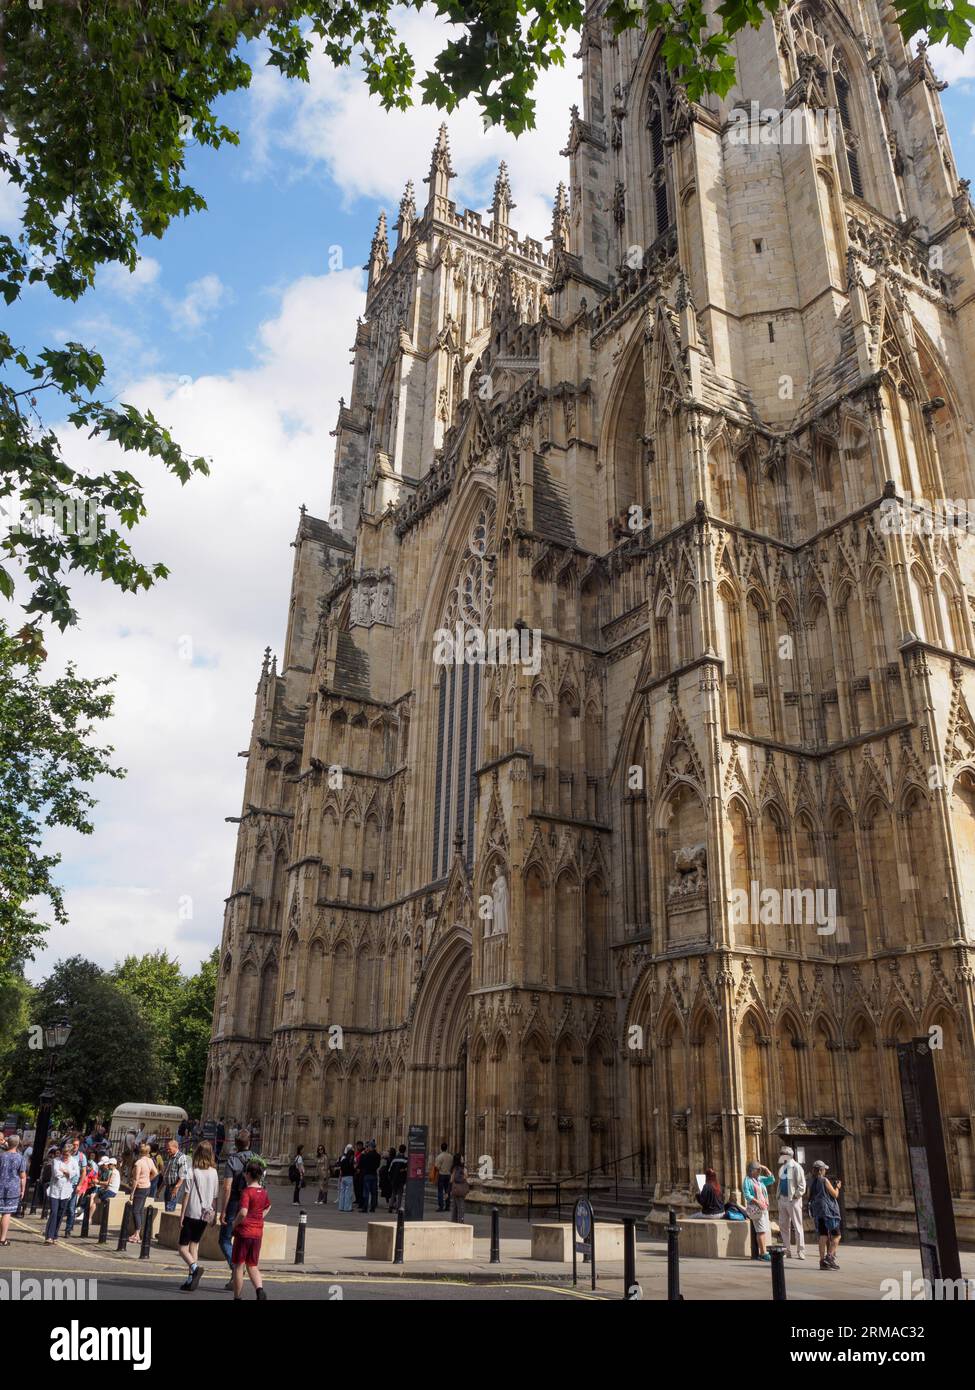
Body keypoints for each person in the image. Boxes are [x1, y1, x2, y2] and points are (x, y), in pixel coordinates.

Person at [177, 1139, 219, 1292]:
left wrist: (181, 1215)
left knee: (182, 1247)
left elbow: (186, 1194)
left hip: (192, 1212)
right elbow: (215, 1196)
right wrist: (215, 1215)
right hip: (206, 1214)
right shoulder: (214, 1172)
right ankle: (190, 1280)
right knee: (194, 1245)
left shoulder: (192, 1170)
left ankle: (194, 1268)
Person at [219, 1128, 257, 1290]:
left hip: (235, 1203)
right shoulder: (257, 1160)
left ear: (235, 1143)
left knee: (225, 1239)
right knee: (241, 1240)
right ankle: (234, 1277)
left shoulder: (232, 1160)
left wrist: (223, 1210)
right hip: (252, 1203)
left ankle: (236, 1269)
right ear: (250, 1143)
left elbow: (227, 1187)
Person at [231, 1161, 271, 1301]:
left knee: (238, 1266)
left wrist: (234, 1224)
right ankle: (260, 1290)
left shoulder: (247, 1192)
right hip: (257, 1233)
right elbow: (267, 1207)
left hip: (244, 1232)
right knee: (252, 1265)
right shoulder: (263, 1192)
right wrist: (259, 1217)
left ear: (248, 1174)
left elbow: (242, 1212)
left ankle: (237, 1296)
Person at [808, 1159, 843, 1270]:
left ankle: (822, 1261)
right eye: (824, 1170)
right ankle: (830, 1256)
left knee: (823, 1235)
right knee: (837, 1235)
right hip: (828, 1211)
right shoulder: (824, 1180)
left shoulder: (811, 1181)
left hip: (818, 1211)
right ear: (821, 1170)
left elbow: (809, 1196)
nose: (825, 1172)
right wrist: (837, 1186)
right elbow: (835, 1194)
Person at [742, 1160, 776, 1260]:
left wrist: (765, 1168)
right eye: (757, 1170)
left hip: (764, 1208)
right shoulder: (747, 1180)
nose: (759, 1172)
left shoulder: (760, 1179)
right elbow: (747, 1195)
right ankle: (763, 1253)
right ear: (752, 1171)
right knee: (760, 1230)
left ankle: (763, 1251)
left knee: (763, 1230)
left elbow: (771, 1179)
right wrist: (757, 1201)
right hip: (755, 1208)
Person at [777, 1146, 807, 1260]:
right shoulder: (783, 1167)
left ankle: (801, 1250)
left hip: (793, 1200)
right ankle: (787, 1250)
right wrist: (779, 1197)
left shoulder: (796, 1167)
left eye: (782, 1154)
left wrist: (796, 1196)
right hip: (783, 1199)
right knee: (784, 1226)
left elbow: (802, 1186)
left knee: (797, 1226)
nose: (780, 1156)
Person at [44, 1142, 76, 1245]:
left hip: (66, 1191)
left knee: (60, 1214)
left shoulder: (74, 1162)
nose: (64, 1156)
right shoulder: (56, 1161)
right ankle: (49, 1236)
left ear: (71, 1153)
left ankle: (55, 1235)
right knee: (53, 1212)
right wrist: (68, 1173)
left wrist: (66, 1172)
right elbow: (57, 1173)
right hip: (55, 1191)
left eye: (67, 1154)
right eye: (63, 1153)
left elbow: (75, 1174)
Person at [0, 1135, 27, 1244]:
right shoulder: (20, 1158)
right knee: (6, 1213)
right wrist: (22, 1190)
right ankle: (2, 1239)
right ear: (17, 1144)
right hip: (12, 1188)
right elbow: (22, 1176)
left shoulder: (1, 1156)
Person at [129, 1142, 155, 1244]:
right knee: (139, 1211)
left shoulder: (139, 1162)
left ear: (139, 1152)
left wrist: (132, 1192)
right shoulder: (150, 1161)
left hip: (140, 1188)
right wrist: (149, 1179)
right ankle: (137, 1233)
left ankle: (137, 1234)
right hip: (147, 1187)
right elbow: (156, 1172)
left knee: (136, 1211)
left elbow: (135, 1179)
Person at [161, 1138, 189, 1212]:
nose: (167, 1151)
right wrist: (160, 1189)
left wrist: (176, 1187)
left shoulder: (181, 1157)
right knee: (167, 1208)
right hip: (168, 1187)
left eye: (169, 1149)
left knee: (170, 1209)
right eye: (167, 1149)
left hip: (174, 1187)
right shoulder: (170, 1156)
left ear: (176, 1147)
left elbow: (183, 1174)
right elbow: (167, 1173)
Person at [360, 1140, 381, 1212]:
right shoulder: (378, 1155)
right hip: (374, 1174)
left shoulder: (367, 1155)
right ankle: (372, 1208)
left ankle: (365, 1207)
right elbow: (378, 1165)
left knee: (366, 1192)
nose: (367, 1148)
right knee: (373, 1193)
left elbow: (362, 1164)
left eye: (368, 1146)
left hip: (367, 1174)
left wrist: (362, 1155)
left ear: (370, 1147)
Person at [449, 1153, 469, 1223]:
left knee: (454, 1207)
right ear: (460, 1160)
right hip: (461, 1190)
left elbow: (451, 1180)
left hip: (454, 1189)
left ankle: (453, 1221)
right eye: (462, 1158)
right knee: (461, 1206)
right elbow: (466, 1178)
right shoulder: (464, 1169)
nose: (463, 1159)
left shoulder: (454, 1168)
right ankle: (461, 1221)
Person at [432, 1140, 452, 1212]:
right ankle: (447, 1206)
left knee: (440, 1191)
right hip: (448, 1175)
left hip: (441, 1175)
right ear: (446, 1148)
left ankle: (441, 1206)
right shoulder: (450, 1156)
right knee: (447, 1191)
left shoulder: (439, 1157)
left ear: (441, 1148)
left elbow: (437, 1167)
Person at [389, 1144, 408, 1213]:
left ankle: (390, 1206)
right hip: (401, 1179)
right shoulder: (405, 1160)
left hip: (394, 1179)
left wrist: (391, 1178)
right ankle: (398, 1208)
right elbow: (407, 1169)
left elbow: (390, 1170)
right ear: (405, 1150)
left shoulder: (394, 1159)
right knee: (400, 1193)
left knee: (393, 1193)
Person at [337, 1145, 355, 1211]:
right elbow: (352, 1170)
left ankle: (341, 1207)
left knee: (342, 1193)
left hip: (343, 1177)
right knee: (348, 1193)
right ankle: (347, 1207)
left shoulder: (343, 1160)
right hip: (349, 1177)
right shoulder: (350, 1162)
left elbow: (341, 1169)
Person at [352, 1139, 365, 1211]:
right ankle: (357, 1199)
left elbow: (360, 1161)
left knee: (360, 1188)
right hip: (356, 1171)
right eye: (357, 1146)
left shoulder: (362, 1153)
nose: (357, 1147)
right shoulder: (357, 1153)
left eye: (359, 1146)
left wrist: (358, 1167)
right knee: (356, 1187)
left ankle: (360, 1201)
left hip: (360, 1172)